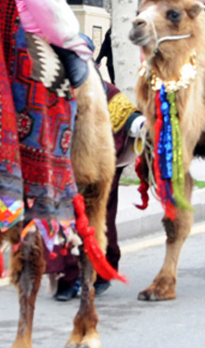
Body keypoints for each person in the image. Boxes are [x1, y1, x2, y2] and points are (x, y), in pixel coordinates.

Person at [51, 82, 146, 300]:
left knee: (101, 217)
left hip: (98, 162)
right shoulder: (51, 83)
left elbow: (124, 110)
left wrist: (140, 124)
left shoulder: (102, 87)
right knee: (63, 219)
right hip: (63, 164)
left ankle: (101, 272)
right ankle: (67, 277)